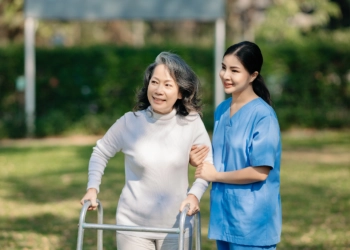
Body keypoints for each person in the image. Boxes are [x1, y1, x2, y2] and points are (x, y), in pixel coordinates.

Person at [80, 51, 213, 250]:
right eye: (154, 82)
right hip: (132, 226)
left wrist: (194, 195)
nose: (159, 90)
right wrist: (92, 188)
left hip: (177, 223)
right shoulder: (130, 121)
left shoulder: (191, 122)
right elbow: (100, 152)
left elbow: (207, 162)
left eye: (168, 85)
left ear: (181, 92)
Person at [191, 41, 282, 250]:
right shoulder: (222, 110)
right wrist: (196, 160)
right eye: (223, 67)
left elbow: (260, 171)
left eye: (234, 70)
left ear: (253, 75)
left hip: (253, 224)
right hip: (224, 218)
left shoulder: (263, 116)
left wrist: (215, 176)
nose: (225, 75)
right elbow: (218, 158)